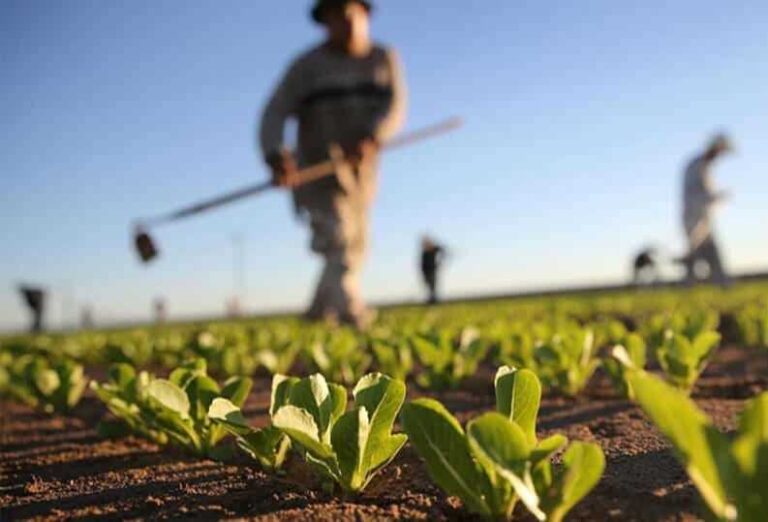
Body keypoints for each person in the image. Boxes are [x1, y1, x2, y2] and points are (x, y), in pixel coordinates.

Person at [260, 0, 407, 328]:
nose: (346, 23)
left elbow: (395, 106)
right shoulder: (306, 67)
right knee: (337, 239)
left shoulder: (384, 59)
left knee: (356, 244)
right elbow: (274, 112)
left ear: (366, 16)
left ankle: (317, 313)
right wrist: (275, 154)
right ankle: (351, 313)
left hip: (361, 175)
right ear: (324, 22)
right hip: (317, 172)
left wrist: (373, 136)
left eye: (351, 14)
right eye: (336, 17)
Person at [681, 134, 733, 287]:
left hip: (704, 220)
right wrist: (716, 196)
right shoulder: (696, 166)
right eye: (720, 152)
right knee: (695, 256)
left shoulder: (705, 166)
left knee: (711, 255)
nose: (720, 156)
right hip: (694, 219)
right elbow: (694, 195)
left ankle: (722, 286)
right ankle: (689, 288)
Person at [420, 236, 446, 304]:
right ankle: (432, 299)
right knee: (429, 286)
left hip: (432, 270)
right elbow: (422, 264)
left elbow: (443, 250)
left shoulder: (433, 249)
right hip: (426, 272)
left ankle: (434, 300)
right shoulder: (424, 253)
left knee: (433, 285)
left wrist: (440, 261)